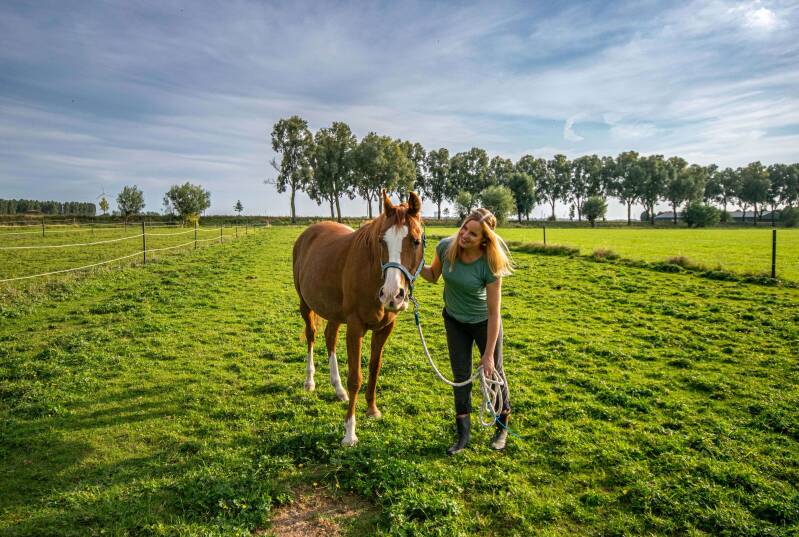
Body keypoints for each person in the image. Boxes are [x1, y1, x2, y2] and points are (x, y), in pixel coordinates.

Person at [420, 208, 514, 455]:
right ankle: (463, 434)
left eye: (473, 234)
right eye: (464, 228)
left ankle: (501, 426)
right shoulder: (445, 247)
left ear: (484, 239)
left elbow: (494, 313)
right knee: (460, 376)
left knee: (495, 372)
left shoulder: (490, 263)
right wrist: (414, 262)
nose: (465, 235)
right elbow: (432, 276)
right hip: (454, 321)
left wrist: (489, 355)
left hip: (484, 323)